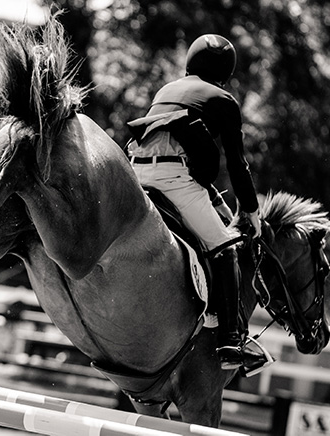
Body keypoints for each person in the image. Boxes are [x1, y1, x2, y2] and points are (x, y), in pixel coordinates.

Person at [126, 34, 262, 370]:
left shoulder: (167, 90)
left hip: (135, 173)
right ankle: (232, 340)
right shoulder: (224, 99)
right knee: (226, 245)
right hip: (173, 180)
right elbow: (237, 163)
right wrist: (251, 210)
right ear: (226, 70)